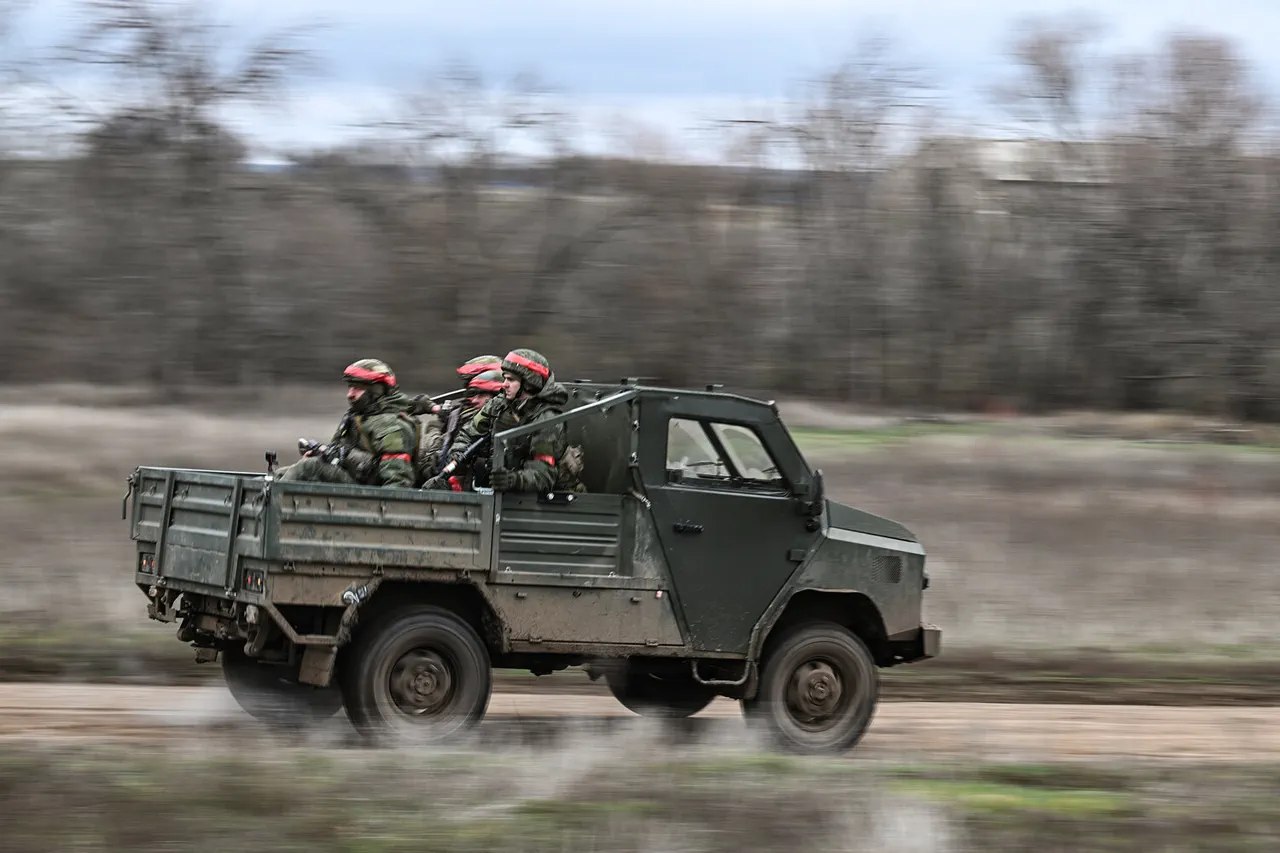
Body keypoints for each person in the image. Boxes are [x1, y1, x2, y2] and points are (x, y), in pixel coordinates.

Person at [427, 348, 583, 494]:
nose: (504, 384)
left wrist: (513, 480)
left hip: (532, 502)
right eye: (504, 378)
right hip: (496, 492)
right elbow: (469, 432)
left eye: (511, 380)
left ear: (529, 383)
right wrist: (457, 453)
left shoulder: (547, 419)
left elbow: (543, 475)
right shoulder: (499, 404)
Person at [276, 358, 419, 488]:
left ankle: (275, 504)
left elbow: (398, 482)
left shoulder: (391, 427)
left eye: (357, 388)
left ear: (375, 391)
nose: (350, 394)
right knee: (281, 473)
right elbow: (339, 451)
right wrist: (323, 455)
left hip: (370, 494)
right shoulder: (357, 417)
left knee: (309, 468)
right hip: (353, 479)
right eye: (350, 387)